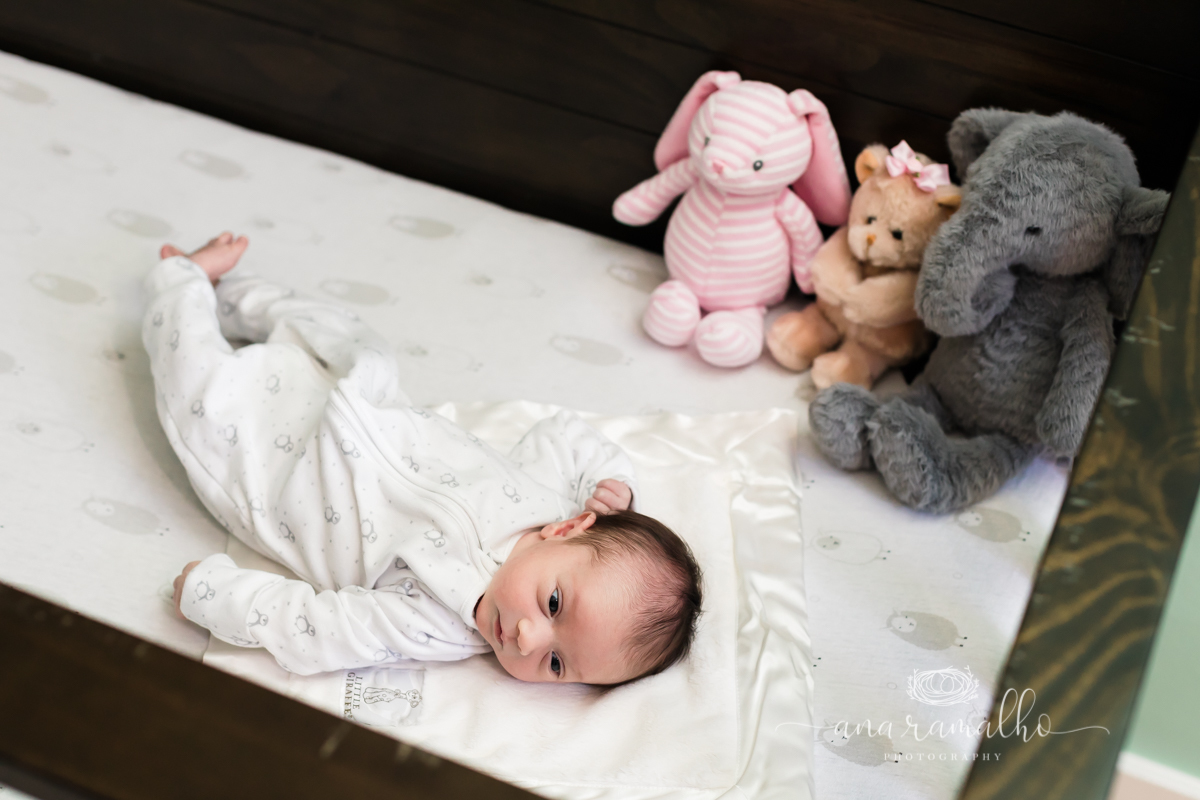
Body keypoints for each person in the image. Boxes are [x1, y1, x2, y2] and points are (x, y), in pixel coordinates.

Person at [150, 234, 702, 685]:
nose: (527, 638)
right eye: (554, 603)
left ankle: (182, 286)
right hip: (363, 399)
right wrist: (611, 482)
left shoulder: (438, 621)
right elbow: (565, 434)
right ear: (570, 529)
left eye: (556, 664)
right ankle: (233, 294)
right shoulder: (549, 498)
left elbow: (318, 631)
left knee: (197, 394)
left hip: (272, 470)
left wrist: (215, 597)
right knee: (350, 337)